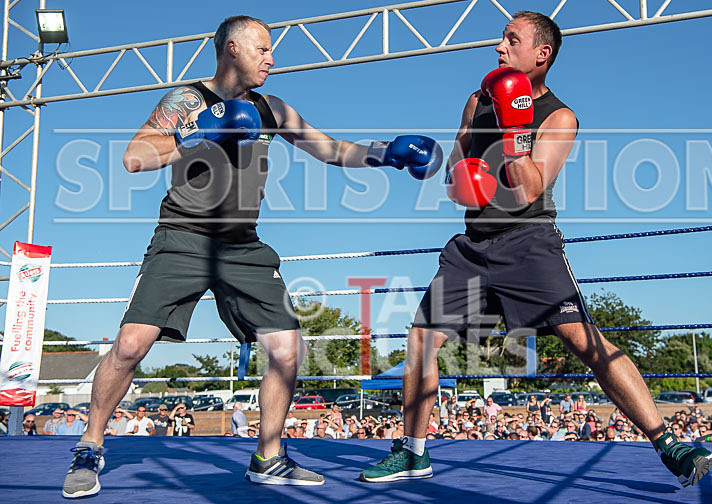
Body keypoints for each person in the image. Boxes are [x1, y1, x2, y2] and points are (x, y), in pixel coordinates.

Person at [60, 14, 441, 498]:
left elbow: (329, 148)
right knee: (133, 344)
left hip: (243, 244)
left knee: (287, 348)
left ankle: (269, 456)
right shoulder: (187, 101)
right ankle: (90, 445)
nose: (271, 58)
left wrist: (386, 153)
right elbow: (134, 157)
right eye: (262, 48)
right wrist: (201, 136)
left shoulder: (271, 109)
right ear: (232, 48)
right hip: (183, 236)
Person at [360, 11, 712, 488]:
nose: (498, 48)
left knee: (583, 341)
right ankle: (413, 452)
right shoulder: (476, 101)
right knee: (422, 340)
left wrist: (515, 132)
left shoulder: (561, 116)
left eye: (512, 40)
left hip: (529, 242)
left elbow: (529, 189)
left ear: (541, 54)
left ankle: (668, 442)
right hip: (472, 246)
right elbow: (455, 180)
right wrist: (430, 166)